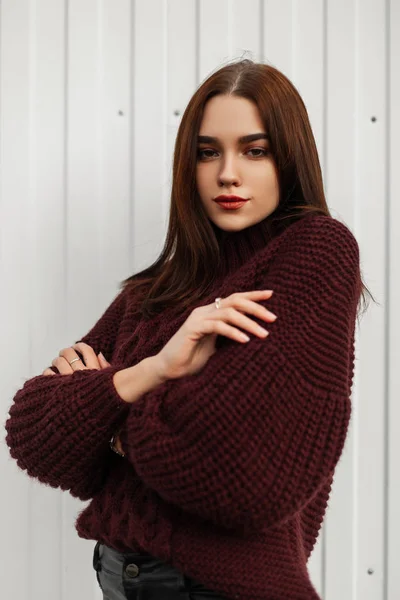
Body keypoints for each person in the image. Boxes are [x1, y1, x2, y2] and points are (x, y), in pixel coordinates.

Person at [5, 59, 373, 600]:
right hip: (117, 575)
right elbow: (34, 434)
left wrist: (108, 415)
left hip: (214, 587)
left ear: (288, 159)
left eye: (254, 150)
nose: (228, 173)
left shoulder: (315, 250)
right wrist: (156, 370)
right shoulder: (156, 289)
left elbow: (244, 476)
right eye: (208, 152)